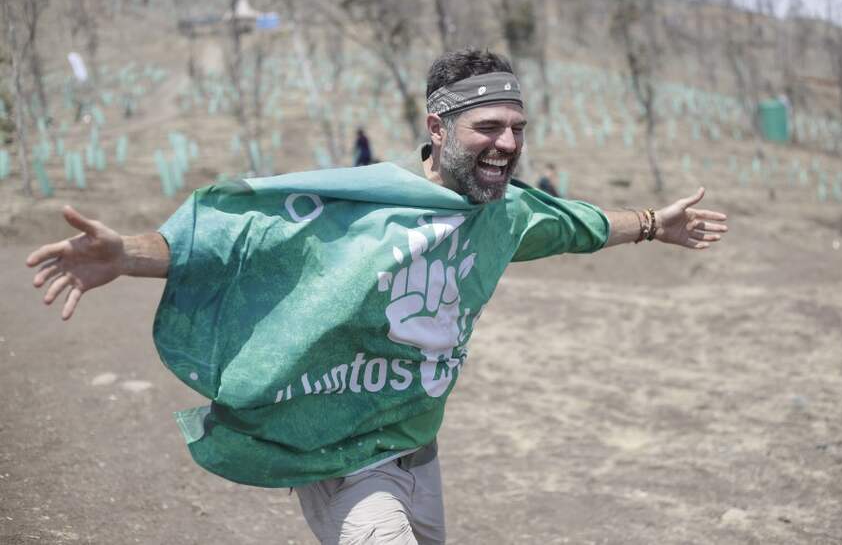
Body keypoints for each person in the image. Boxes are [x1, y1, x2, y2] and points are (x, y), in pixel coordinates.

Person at [26, 48, 728, 544]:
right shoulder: (361, 209)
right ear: (437, 128)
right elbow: (239, 238)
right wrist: (130, 254)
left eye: (517, 128)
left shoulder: (505, 214)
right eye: (488, 126)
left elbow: (575, 224)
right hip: (341, 455)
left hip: (419, 452)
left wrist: (650, 227)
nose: (507, 143)